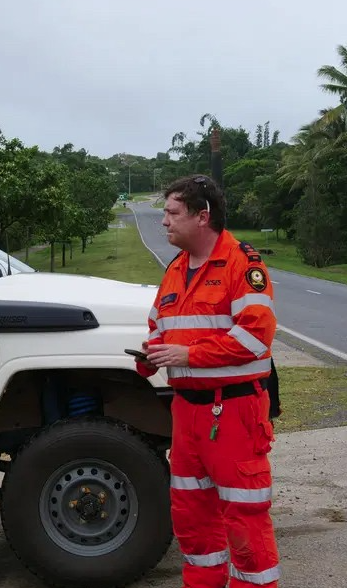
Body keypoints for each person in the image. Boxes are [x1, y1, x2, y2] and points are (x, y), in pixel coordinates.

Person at [135, 175, 281, 588]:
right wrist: (151, 357)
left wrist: (188, 355)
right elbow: (158, 327)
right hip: (187, 413)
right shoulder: (176, 269)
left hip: (234, 411)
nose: (163, 221)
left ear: (203, 217)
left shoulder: (242, 264)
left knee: (244, 516)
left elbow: (255, 337)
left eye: (171, 212)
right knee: (191, 515)